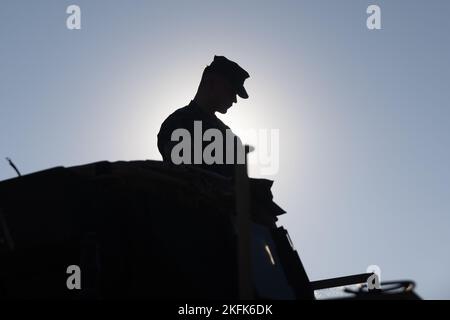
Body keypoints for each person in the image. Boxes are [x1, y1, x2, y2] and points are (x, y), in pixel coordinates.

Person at [157, 55, 250, 178]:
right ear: (211, 82)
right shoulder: (177, 123)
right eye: (231, 91)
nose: (234, 100)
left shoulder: (230, 137)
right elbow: (184, 177)